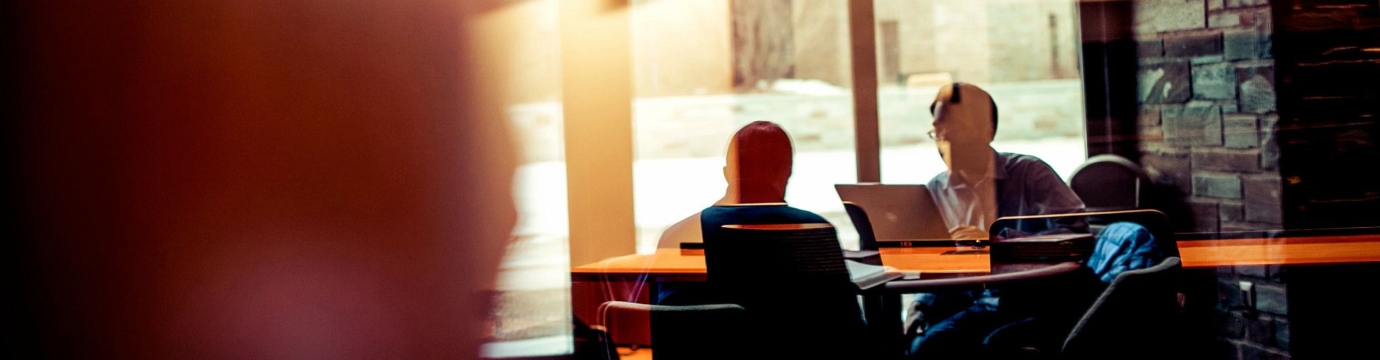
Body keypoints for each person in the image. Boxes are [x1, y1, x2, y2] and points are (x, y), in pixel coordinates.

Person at [906, 82, 1095, 359]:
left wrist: (1000, 243)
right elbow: (937, 265)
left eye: (954, 128)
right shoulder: (936, 190)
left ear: (988, 130)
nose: (944, 140)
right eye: (937, 131)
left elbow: (1078, 236)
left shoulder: (1031, 173)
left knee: (963, 349)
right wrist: (919, 306)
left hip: (1041, 301)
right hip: (976, 303)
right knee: (921, 347)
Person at [653, 121, 828, 305]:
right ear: (786, 172)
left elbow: (663, 321)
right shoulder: (814, 229)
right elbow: (846, 322)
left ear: (727, 173)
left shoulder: (678, 235)